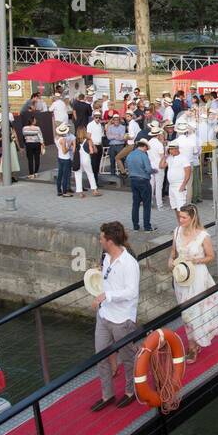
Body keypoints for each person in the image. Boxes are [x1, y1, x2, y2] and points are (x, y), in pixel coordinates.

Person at [90, 222, 141, 411]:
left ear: (109, 241)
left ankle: (131, 391)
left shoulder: (129, 263)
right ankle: (107, 395)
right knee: (100, 356)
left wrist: (107, 295)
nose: (100, 240)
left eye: (102, 237)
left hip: (122, 318)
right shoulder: (106, 257)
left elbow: (132, 292)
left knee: (127, 357)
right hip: (104, 314)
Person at [169, 204, 218, 363]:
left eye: (184, 217)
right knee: (186, 313)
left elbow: (210, 256)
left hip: (198, 276)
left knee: (194, 311)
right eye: (180, 217)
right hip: (182, 277)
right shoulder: (177, 231)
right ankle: (193, 341)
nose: (181, 220)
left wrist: (196, 260)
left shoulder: (203, 235)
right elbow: (173, 253)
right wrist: (170, 261)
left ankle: (193, 346)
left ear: (192, 218)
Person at [126, 138, 155, 232]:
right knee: (147, 205)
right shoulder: (143, 155)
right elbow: (148, 169)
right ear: (144, 146)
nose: (147, 150)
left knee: (135, 204)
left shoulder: (130, 154)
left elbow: (127, 166)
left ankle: (135, 226)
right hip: (143, 180)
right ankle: (147, 227)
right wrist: (154, 171)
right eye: (147, 148)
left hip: (133, 180)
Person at [53, 122, 75, 197]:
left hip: (60, 157)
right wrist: (68, 146)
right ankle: (65, 192)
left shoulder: (56, 138)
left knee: (60, 175)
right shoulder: (63, 139)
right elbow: (64, 151)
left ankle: (59, 190)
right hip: (66, 159)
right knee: (65, 176)